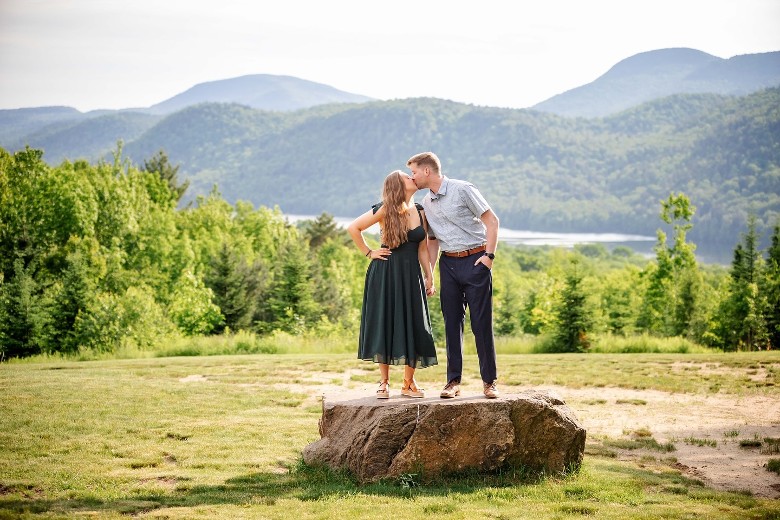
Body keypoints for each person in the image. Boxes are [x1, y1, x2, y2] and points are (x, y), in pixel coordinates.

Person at [407, 152, 500, 399]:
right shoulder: (426, 203)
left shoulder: (463, 189)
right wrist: (432, 274)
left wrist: (489, 257)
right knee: (451, 325)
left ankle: (489, 382)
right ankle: (453, 382)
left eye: (414, 172)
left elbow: (492, 221)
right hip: (448, 265)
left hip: (476, 260)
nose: (411, 177)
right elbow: (433, 240)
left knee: (481, 325)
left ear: (427, 171)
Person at [347, 170, 437, 399]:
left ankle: (408, 383)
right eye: (407, 177)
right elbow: (353, 228)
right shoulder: (385, 208)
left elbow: (423, 248)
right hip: (385, 271)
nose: (412, 178)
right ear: (398, 185)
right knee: (384, 322)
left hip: (411, 275)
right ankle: (383, 383)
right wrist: (369, 252)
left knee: (416, 324)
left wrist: (430, 275)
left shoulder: (420, 211)